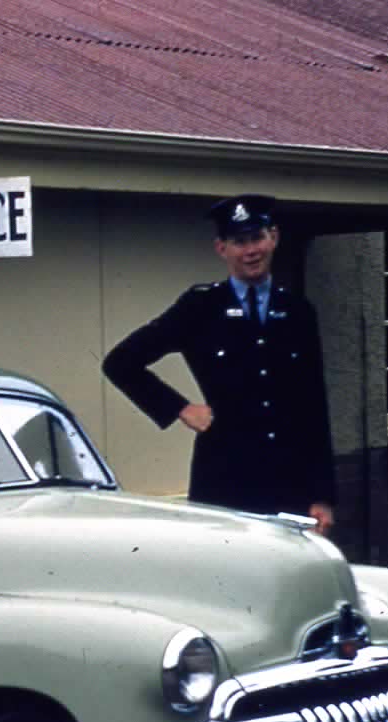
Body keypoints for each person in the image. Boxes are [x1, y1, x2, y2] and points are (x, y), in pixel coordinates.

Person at [101, 194, 337, 535]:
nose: (250, 250)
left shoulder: (298, 310)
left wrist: (322, 495)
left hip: (291, 484)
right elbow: (121, 362)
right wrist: (180, 408)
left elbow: (314, 406)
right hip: (225, 482)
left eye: (257, 237)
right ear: (221, 248)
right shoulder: (200, 307)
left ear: (274, 238)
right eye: (239, 242)